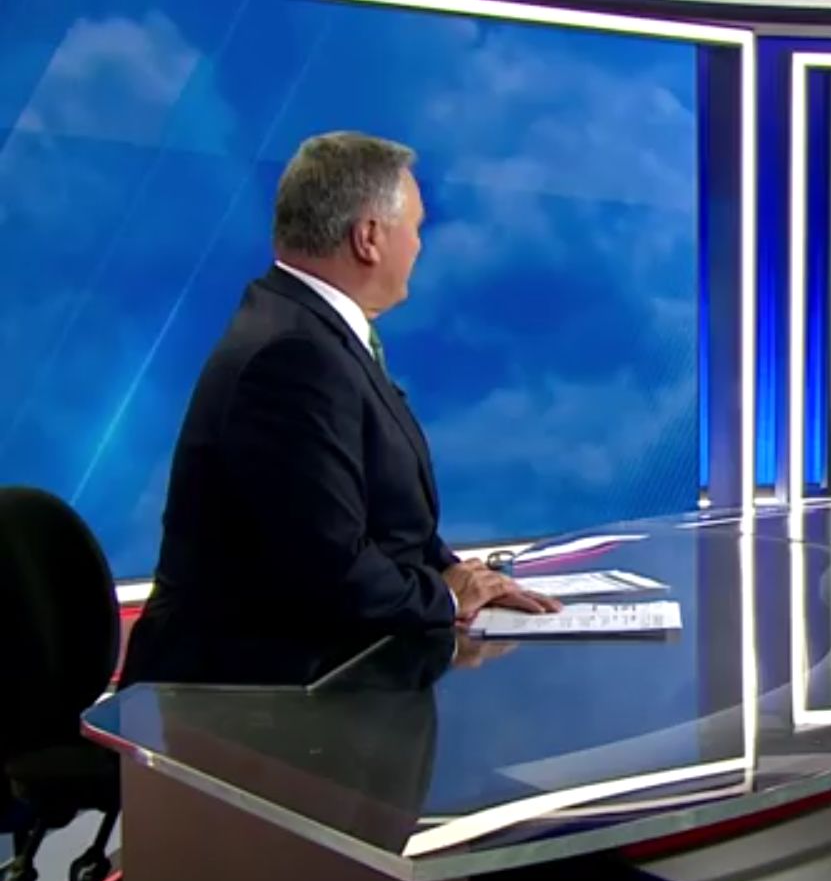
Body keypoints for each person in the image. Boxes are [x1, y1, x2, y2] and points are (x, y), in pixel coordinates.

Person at [120, 132, 559, 686]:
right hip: (250, 698)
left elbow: (381, 516)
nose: (419, 246)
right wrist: (445, 597)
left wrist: (456, 573)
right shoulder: (293, 354)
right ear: (369, 237)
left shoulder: (307, 327)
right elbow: (329, 566)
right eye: (415, 228)